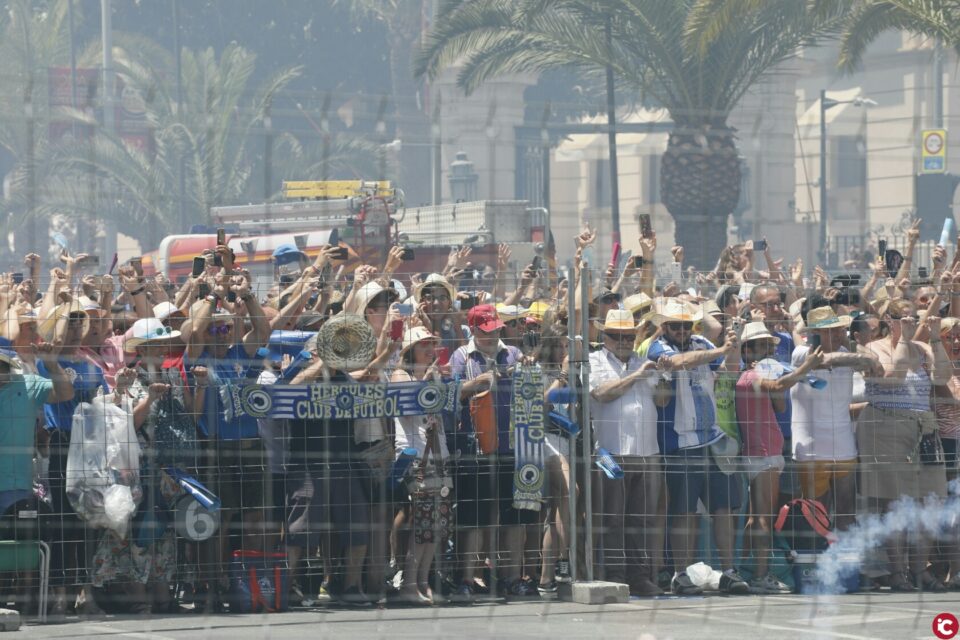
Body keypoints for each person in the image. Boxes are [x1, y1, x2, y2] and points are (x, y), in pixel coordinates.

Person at [646, 299, 748, 596]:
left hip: (712, 438)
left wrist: (734, 341)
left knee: (723, 508)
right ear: (664, 327)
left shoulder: (701, 340)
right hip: (680, 441)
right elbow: (680, 363)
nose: (680, 330)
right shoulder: (658, 348)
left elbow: (731, 368)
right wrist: (721, 349)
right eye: (674, 325)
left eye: (685, 324)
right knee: (684, 511)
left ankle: (729, 571)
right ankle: (680, 573)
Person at [859, 299, 951, 591]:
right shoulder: (872, 348)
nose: (910, 322)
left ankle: (920, 569)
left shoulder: (922, 349)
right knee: (895, 504)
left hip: (923, 428)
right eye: (903, 318)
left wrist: (935, 338)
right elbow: (894, 377)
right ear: (889, 320)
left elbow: (943, 376)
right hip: (886, 427)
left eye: (914, 317)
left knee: (930, 501)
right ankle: (898, 572)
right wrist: (905, 339)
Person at [449, 304, 537, 600]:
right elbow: (450, 393)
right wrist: (477, 383)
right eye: (486, 331)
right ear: (473, 330)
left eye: (495, 330)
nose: (492, 335)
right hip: (473, 447)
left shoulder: (512, 354)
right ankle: (467, 578)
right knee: (473, 516)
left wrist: (529, 367)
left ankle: (513, 577)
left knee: (513, 516)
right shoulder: (461, 356)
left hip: (512, 446)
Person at [735, 322, 823, 593]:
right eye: (761, 347)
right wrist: (804, 369)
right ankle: (760, 576)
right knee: (764, 517)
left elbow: (780, 402)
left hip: (763, 452)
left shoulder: (752, 375)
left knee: (755, 516)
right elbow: (778, 387)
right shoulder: (752, 376)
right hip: (764, 453)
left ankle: (750, 571)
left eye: (768, 347)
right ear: (747, 350)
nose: (766, 352)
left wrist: (780, 375)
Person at [589, 309, 667, 596]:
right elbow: (601, 393)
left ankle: (639, 576)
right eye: (616, 336)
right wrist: (637, 376)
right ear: (604, 337)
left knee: (642, 518)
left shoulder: (644, 362)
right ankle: (615, 574)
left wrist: (664, 374)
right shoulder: (594, 361)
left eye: (628, 336)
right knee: (612, 517)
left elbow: (661, 400)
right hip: (609, 453)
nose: (623, 341)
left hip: (647, 453)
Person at [0, 342, 72, 614]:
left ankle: (27, 605)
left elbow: (65, 393)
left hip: (17, 487)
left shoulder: (29, 384)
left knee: (24, 551)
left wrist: (52, 364)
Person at [391, 327, 450, 605]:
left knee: (436, 524)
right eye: (423, 344)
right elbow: (405, 409)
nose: (430, 350)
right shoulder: (401, 375)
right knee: (421, 522)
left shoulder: (433, 376)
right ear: (410, 349)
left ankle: (424, 579)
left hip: (438, 453)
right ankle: (409, 581)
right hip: (415, 457)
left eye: (432, 345)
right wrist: (424, 383)